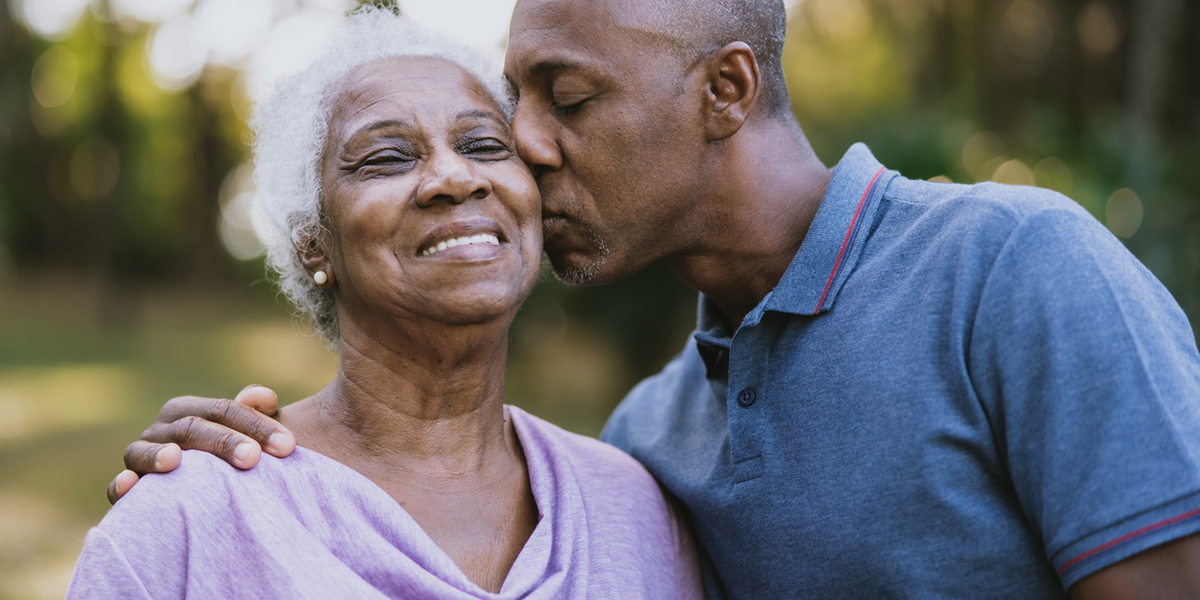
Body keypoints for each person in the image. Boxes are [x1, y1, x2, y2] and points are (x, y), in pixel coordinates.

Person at [109, 0, 1200, 597]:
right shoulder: (652, 451)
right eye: (518, 101)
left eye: (563, 100)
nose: (523, 149)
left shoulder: (1012, 269)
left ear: (726, 90)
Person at [68, 8, 701, 599]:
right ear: (315, 245)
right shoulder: (189, 520)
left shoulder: (633, 505)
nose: (456, 178)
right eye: (388, 157)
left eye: (484, 145)